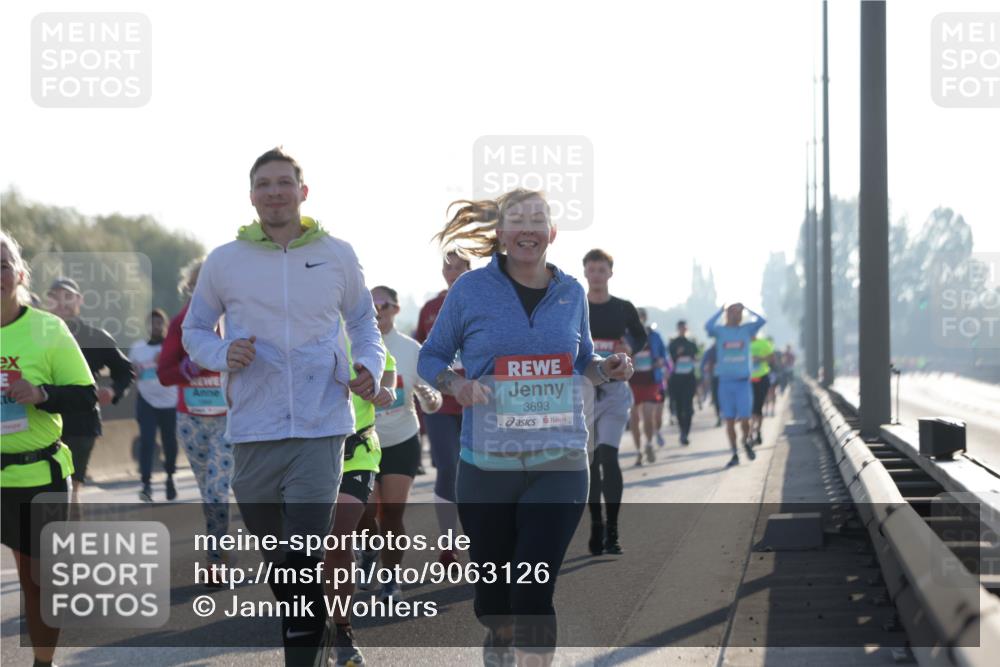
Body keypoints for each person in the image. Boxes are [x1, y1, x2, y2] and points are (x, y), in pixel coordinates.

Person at [182, 147, 385, 666]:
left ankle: (305, 655)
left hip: (322, 425)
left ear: (303, 191)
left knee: (300, 558)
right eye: (264, 184)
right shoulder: (225, 261)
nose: (275, 192)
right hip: (253, 428)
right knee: (282, 566)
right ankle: (317, 633)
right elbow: (195, 330)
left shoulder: (337, 253)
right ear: (252, 196)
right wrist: (224, 353)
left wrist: (369, 366)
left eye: (284, 183)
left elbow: (364, 322)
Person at [418, 189, 633, 666]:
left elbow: (581, 363)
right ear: (500, 234)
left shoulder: (571, 292)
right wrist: (456, 384)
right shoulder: (470, 290)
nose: (528, 228)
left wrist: (607, 368)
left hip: (559, 462)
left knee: (533, 592)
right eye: (517, 219)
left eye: (538, 219)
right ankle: (499, 640)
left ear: (552, 234)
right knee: (495, 601)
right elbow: (431, 356)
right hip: (486, 465)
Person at [2, 232, 97, 667]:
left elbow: (85, 395)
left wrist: (41, 394)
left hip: (38, 476)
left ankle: (43, 663)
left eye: (3, 265)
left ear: (21, 274)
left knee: (39, 581)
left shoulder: (46, 328)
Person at [363, 285, 443, 601]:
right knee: (364, 515)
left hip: (401, 439)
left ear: (395, 309)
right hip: (362, 442)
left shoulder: (411, 349)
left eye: (383, 304)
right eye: (370, 305)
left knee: (392, 514)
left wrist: (429, 398)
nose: (377, 310)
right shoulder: (354, 346)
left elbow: (433, 401)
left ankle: (391, 579)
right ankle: (368, 549)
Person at [157, 259, 233, 582]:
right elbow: (164, 374)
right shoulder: (180, 322)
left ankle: (215, 562)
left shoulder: (238, 319)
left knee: (218, 490)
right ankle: (218, 551)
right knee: (208, 493)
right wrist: (188, 369)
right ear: (191, 287)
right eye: (201, 283)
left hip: (228, 420)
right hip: (190, 420)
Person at [324, 332, 396, 667]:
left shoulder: (363, 334)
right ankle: (313, 621)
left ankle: (342, 632)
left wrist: (382, 391)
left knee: (338, 540)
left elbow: (390, 379)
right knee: (306, 547)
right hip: (307, 451)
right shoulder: (293, 322)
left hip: (358, 452)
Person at [45, 276, 135, 503]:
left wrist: (113, 391)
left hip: (81, 421)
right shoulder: (37, 335)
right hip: (43, 419)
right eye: (55, 297)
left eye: (68, 296)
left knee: (71, 489)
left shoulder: (95, 336)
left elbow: (125, 370)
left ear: (79, 300)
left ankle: (71, 525)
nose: (62, 303)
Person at [582, 249, 645, 555]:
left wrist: (629, 347)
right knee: (592, 462)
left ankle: (613, 530)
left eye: (601, 269)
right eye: (591, 269)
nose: (596, 275)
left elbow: (640, 337)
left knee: (609, 457)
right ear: (585, 273)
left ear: (610, 273)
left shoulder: (622, 308)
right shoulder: (575, 307)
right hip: (585, 394)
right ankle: (596, 524)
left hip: (615, 393)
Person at [414, 250, 469, 564]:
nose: (452, 272)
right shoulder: (430, 309)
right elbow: (422, 355)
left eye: (459, 267)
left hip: (477, 401)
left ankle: (482, 537)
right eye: (448, 267)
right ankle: (448, 543)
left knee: (477, 470)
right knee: (447, 468)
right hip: (441, 404)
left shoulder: (483, 301)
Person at [705, 303, 766, 466]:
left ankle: (745, 441)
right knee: (730, 421)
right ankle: (734, 453)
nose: (736, 316)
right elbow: (708, 326)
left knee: (745, 420)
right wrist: (720, 310)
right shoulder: (719, 331)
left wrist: (747, 307)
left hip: (743, 383)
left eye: (739, 313)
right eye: (733, 313)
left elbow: (762, 321)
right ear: (728, 314)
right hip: (725, 383)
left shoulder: (746, 329)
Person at [129, 308, 179, 502]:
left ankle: (170, 477)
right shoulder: (137, 348)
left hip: (170, 401)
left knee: (169, 442)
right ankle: (146, 484)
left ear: (164, 325)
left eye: (159, 322)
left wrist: (164, 362)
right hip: (146, 401)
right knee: (147, 442)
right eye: (151, 322)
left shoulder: (171, 347)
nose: (155, 326)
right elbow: (133, 374)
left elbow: (181, 369)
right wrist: (134, 373)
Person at [667, 320, 700, 446]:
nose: (682, 330)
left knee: (688, 407)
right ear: (678, 329)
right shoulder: (673, 343)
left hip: (689, 379)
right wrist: (677, 354)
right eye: (680, 328)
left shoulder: (691, 343)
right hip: (677, 379)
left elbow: (697, 356)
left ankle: (686, 432)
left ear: (687, 329)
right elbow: (670, 359)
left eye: (684, 328)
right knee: (679, 407)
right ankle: (682, 431)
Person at [749, 333, 776, 443]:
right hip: (747, 380)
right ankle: (750, 432)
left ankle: (758, 432)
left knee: (758, 407)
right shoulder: (743, 343)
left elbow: (772, 358)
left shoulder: (764, 343)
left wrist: (760, 358)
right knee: (750, 409)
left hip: (762, 378)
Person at [701, 343, 721, 427]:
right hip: (714, 378)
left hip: (727, 378)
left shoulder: (726, 347)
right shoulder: (709, 351)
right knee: (716, 398)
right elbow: (703, 365)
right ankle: (719, 416)